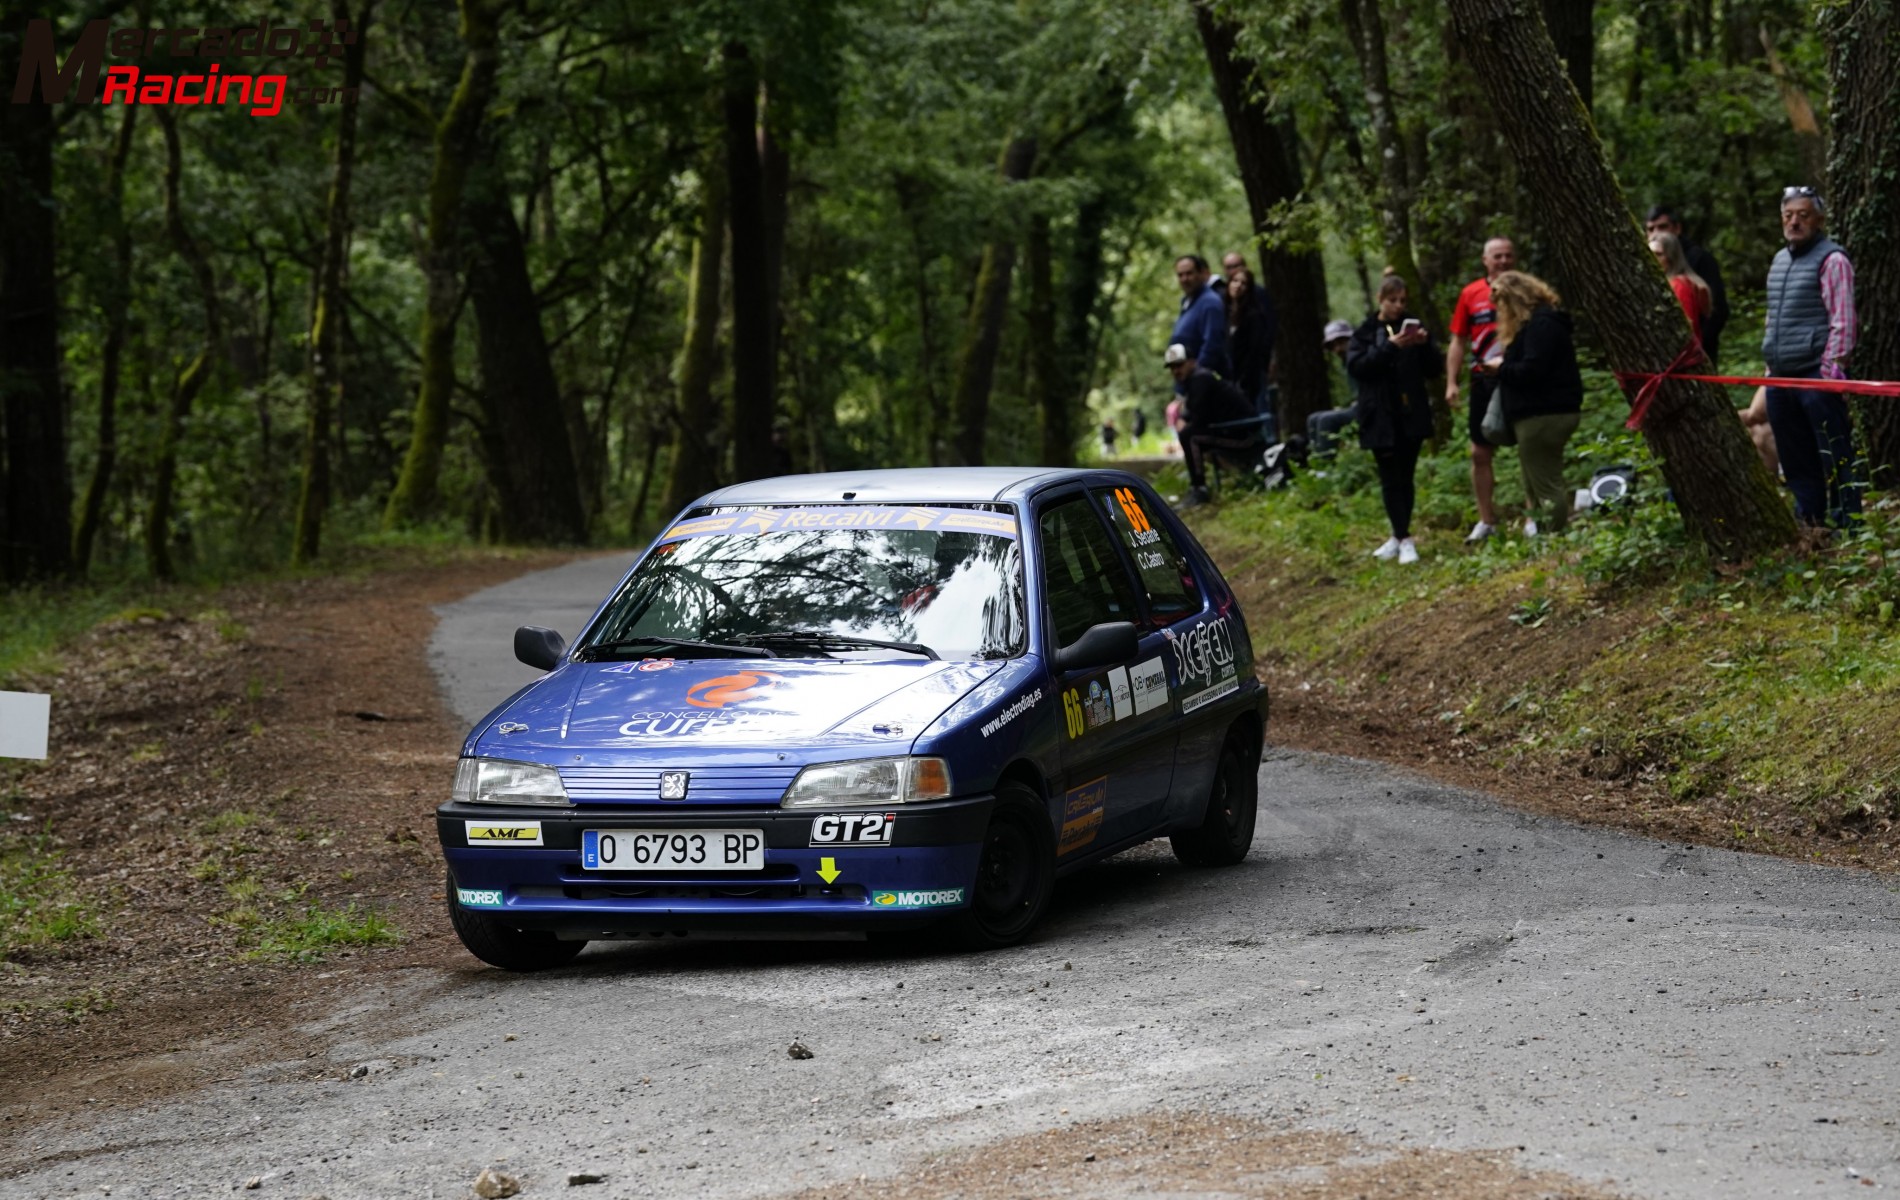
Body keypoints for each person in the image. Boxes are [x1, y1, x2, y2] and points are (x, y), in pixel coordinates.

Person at [1762, 186, 1861, 528]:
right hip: (1780, 376)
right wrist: (1769, 368)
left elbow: (1843, 320)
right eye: (1789, 215)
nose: (1795, 222)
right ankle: (1810, 521)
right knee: (1794, 457)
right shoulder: (1779, 260)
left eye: (1803, 215)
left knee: (1834, 451)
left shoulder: (1832, 259)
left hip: (1815, 376)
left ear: (1818, 220)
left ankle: (1849, 522)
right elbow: (1773, 318)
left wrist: (1831, 373)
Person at [1346, 276, 1436, 564]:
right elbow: (1358, 367)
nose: (1398, 306)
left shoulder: (1414, 327)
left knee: (1406, 476)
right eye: (1392, 300)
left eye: (1402, 301)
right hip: (1379, 418)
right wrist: (1390, 346)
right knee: (1389, 477)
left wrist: (1422, 345)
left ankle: (1401, 536)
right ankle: (1402, 535)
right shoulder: (1365, 332)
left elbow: (1434, 368)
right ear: (1380, 299)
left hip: (1411, 415)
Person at [1490, 270, 1584, 535]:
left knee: (1546, 484)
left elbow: (1531, 371)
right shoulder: (1545, 324)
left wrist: (1501, 369)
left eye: (1502, 306)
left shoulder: (1540, 326)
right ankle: (1544, 534)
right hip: (1546, 412)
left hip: (1542, 414)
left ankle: (1554, 539)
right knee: (1535, 483)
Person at [1444, 237, 1516, 543]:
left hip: (1517, 375)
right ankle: (1487, 520)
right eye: (1497, 256)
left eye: (1508, 256)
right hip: (1482, 379)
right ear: (1485, 260)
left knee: (1525, 445)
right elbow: (1458, 340)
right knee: (1479, 451)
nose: (1502, 261)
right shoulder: (1471, 294)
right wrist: (1451, 381)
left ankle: (1533, 515)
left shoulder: (1526, 289)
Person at [1165, 342, 1260, 510]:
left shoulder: (1200, 379)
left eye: (1179, 365)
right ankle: (1198, 488)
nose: (1175, 371)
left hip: (1245, 436)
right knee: (1190, 435)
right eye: (1171, 367)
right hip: (1232, 431)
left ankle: (1199, 490)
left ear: (1191, 362)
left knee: (1190, 436)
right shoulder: (1196, 380)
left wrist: (1184, 420)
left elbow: (1199, 417)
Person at [1645, 205, 1729, 366]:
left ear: (1677, 228)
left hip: (1692, 356)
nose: (1656, 233)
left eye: (1662, 227)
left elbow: (1717, 311)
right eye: (1651, 229)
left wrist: (1698, 349)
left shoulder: (1697, 262)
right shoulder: (1651, 267)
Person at [1170, 256, 1230, 385]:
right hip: (1188, 383)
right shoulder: (1187, 302)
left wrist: (1196, 376)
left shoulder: (1210, 303)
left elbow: (1212, 344)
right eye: (1180, 275)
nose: (1184, 279)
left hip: (1205, 384)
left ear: (1201, 274)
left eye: (1189, 273)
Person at [1648, 231, 1711, 352]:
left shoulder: (1679, 285)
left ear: (1671, 257)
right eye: (1649, 254)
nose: (1652, 259)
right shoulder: (1665, 283)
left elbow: (1684, 331)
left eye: (1658, 254)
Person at [1306, 319, 1360, 458]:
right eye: (1333, 346)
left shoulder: (1361, 357)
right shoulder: (1346, 363)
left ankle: (1327, 468)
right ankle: (1316, 464)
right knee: (1313, 418)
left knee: (1327, 420)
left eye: (1341, 342)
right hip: (1359, 406)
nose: (1338, 349)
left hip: (1372, 409)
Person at [1226, 268, 1274, 418]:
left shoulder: (1254, 316)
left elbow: (1254, 351)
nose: (1238, 285)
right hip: (1231, 376)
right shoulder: (1223, 314)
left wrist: (1245, 379)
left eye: (1243, 283)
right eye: (1235, 281)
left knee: (1258, 412)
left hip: (1251, 377)